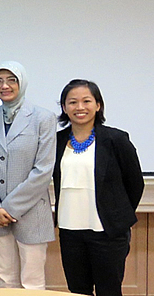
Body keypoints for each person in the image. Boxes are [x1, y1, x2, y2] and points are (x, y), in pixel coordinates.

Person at [53, 79, 144, 296]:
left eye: (86, 101)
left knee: (109, 290)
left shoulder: (116, 139)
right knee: (77, 290)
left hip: (107, 232)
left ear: (98, 105)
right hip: (70, 230)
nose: (80, 107)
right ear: (64, 108)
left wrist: (118, 215)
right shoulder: (56, 140)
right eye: (72, 102)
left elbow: (135, 183)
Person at [0, 61, 55, 289]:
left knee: (32, 281)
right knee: (5, 279)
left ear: (22, 82)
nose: (4, 86)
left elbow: (43, 170)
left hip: (31, 213)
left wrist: (8, 209)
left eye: (12, 80)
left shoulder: (43, 118)